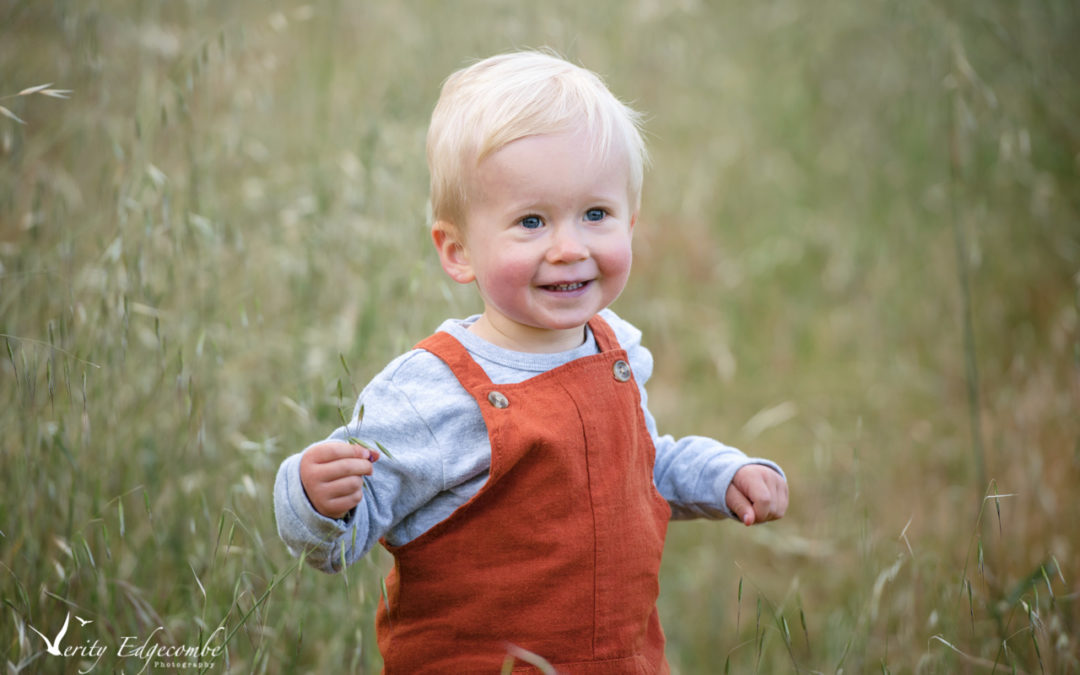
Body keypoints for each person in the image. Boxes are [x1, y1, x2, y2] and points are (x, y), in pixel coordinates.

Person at [274, 49, 788, 674]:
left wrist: (723, 475)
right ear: (458, 251)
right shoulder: (433, 392)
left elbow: (640, 465)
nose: (569, 248)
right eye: (532, 221)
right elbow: (340, 539)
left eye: (596, 214)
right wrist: (311, 497)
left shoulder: (615, 350)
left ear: (632, 220)